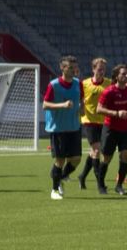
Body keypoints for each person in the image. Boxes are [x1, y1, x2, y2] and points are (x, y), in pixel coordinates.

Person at [43, 56, 83, 200]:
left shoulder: (79, 83)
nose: (73, 70)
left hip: (74, 127)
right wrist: (62, 105)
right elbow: (45, 104)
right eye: (70, 67)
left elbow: (81, 100)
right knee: (60, 160)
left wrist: (82, 109)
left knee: (76, 159)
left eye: (74, 68)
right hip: (58, 128)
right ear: (62, 68)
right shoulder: (53, 85)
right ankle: (54, 190)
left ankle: (61, 176)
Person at [96, 64, 127, 195]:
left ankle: (119, 185)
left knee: (126, 155)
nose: (126, 76)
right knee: (106, 158)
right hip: (110, 129)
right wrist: (117, 113)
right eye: (123, 74)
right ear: (116, 76)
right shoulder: (109, 91)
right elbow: (99, 109)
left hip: (124, 129)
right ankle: (101, 184)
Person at [78, 57, 110, 190]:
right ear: (93, 69)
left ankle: (82, 176)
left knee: (94, 152)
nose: (101, 71)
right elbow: (79, 99)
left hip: (103, 121)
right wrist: (81, 106)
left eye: (103, 69)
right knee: (96, 151)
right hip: (89, 120)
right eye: (99, 69)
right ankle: (99, 182)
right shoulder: (84, 84)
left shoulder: (109, 83)